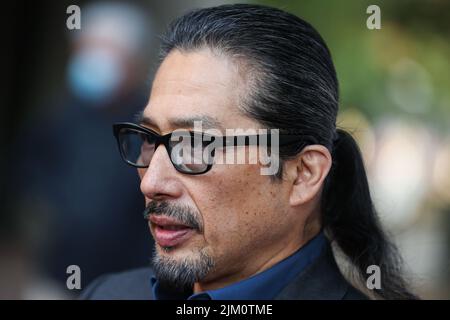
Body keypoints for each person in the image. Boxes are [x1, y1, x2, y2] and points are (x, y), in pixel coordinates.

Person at [81, 4, 417, 300]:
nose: (151, 182)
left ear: (303, 174)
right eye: (151, 140)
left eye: (197, 144)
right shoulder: (108, 294)